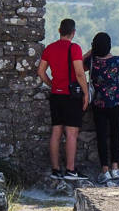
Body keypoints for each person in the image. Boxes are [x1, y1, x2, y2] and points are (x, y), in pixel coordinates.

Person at [37, 18, 89, 180]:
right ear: (73, 33)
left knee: (56, 132)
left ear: (59, 31)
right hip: (71, 96)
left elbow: (41, 72)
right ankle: (70, 170)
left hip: (56, 95)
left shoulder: (50, 48)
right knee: (71, 133)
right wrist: (86, 93)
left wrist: (52, 84)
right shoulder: (74, 48)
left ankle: (55, 170)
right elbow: (80, 73)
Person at [84, 32, 119, 184]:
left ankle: (105, 171)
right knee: (115, 134)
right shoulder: (116, 60)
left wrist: (92, 50)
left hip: (99, 103)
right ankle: (115, 168)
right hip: (115, 102)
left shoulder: (92, 61)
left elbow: (79, 64)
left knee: (102, 137)